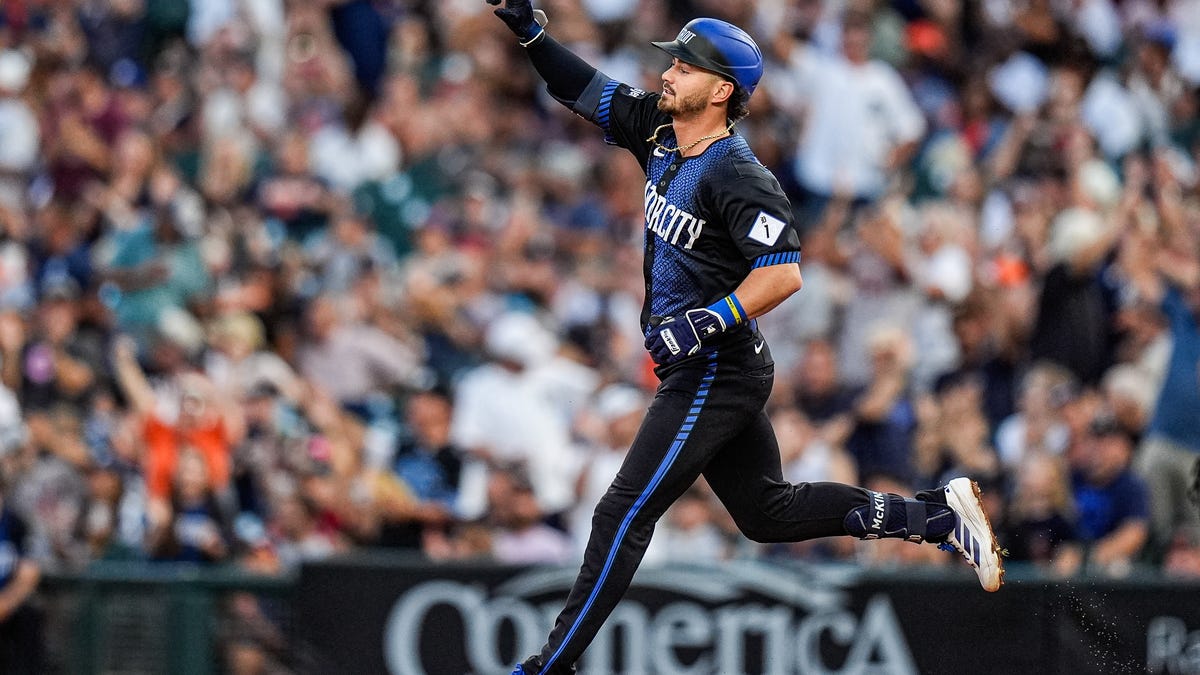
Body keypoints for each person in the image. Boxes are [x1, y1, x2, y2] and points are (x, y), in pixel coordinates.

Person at [486, 4, 1004, 674]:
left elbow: (783, 271)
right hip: (710, 366)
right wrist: (532, 34)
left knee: (622, 512)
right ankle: (936, 519)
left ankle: (550, 666)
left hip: (715, 368)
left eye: (684, 65)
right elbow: (583, 89)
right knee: (767, 513)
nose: (668, 72)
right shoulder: (661, 131)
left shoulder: (736, 171)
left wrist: (707, 319)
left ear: (721, 90)